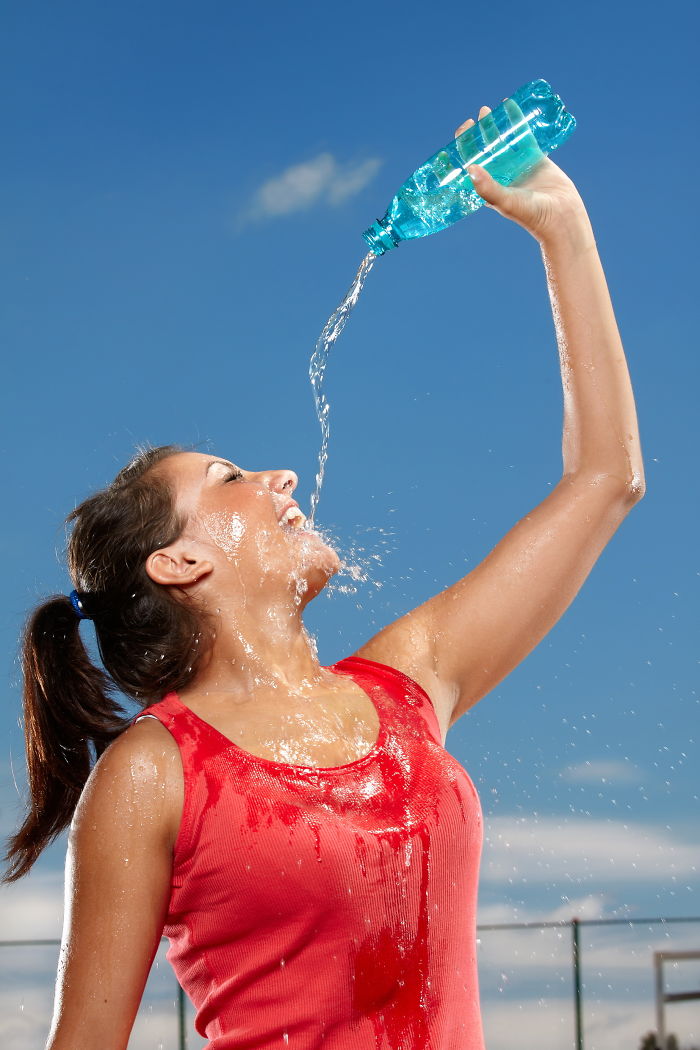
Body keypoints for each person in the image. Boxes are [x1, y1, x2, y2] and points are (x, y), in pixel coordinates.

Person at [3, 106, 645, 1050]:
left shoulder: (406, 686)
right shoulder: (155, 776)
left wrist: (563, 228)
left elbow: (605, 481)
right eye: (228, 478)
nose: (280, 476)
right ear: (180, 562)